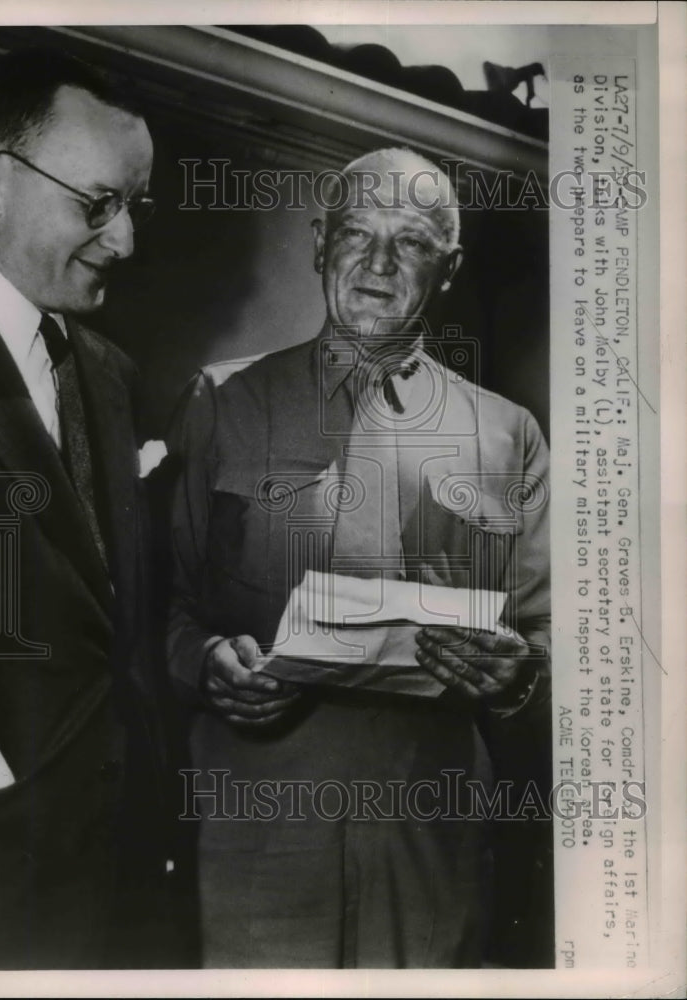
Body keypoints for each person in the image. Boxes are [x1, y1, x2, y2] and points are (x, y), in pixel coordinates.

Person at [166, 147, 552, 968]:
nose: (378, 264)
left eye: (410, 242)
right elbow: (159, 606)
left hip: (433, 827)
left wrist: (518, 674)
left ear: (447, 270)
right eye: (356, 234)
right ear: (318, 243)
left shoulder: (508, 433)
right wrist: (204, 660)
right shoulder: (222, 401)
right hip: (256, 824)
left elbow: (550, 638)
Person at [0, 47, 179, 969]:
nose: (126, 241)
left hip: (112, 883)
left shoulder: (110, 374)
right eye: (97, 203)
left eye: (134, 206)